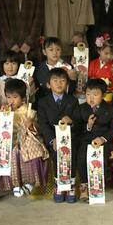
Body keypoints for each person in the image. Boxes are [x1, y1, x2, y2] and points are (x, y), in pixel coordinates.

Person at [0, 78, 49, 197]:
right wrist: (0, 116)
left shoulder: (28, 111)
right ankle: (16, 184)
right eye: (8, 97)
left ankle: (29, 182)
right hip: (9, 140)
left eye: (15, 97)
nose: (11, 100)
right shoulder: (5, 110)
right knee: (9, 153)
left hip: (26, 140)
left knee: (29, 152)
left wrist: (31, 124)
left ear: (22, 98)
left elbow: (37, 130)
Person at [37, 68, 81, 203]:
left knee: (71, 149)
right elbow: (43, 125)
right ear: (48, 84)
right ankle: (60, 185)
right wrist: (52, 140)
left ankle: (71, 184)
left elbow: (79, 122)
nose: (59, 84)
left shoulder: (72, 100)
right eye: (55, 81)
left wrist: (72, 121)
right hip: (52, 139)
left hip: (70, 138)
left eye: (62, 80)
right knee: (58, 152)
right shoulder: (43, 102)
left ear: (67, 83)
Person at [74, 79, 113, 202]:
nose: (91, 98)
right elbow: (76, 128)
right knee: (82, 157)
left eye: (95, 94)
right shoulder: (81, 108)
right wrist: (88, 126)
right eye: (88, 94)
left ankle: (97, 187)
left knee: (100, 159)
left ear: (103, 95)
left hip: (103, 141)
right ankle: (84, 186)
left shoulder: (110, 108)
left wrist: (103, 139)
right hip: (86, 140)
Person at [0, 51, 31, 123]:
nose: (10, 67)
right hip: (3, 118)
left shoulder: (23, 81)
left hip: (20, 117)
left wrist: (30, 85)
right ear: (2, 65)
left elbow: (29, 100)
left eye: (13, 63)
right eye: (7, 63)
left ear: (18, 65)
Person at [33, 37, 77, 103]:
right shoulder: (38, 69)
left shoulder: (67, 66)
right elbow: (39, 91)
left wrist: (73, 80)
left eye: (58, 49)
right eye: (51, 50)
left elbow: (71, 91)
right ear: (44, 52)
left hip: (65, 102)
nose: (55, 53)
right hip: (45, 103)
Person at [88, 33, 113, 103]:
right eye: (106, 53)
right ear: (99, 51)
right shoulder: (92, 64)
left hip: (108, 100)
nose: (109, 57)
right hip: (92, 98)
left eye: (112, 54)